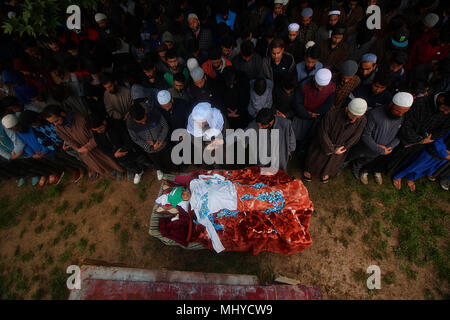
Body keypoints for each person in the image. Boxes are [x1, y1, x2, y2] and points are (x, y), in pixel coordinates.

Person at [346, 92, 414, 185]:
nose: (400, 114)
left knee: (364, 161)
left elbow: (400, 135)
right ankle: (340, 167)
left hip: (380, 151)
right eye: (398, 111)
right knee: (350, 157)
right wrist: (379, 149)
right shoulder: (374, 114)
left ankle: (356, 168)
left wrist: (389, 147)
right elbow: (365, 135)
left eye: (404, 112)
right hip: (364, 147)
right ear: (391, 104)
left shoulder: (402, 116)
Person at [42, 105, 124, 179]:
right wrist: (78, 149)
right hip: (84, 150)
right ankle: (113, 171)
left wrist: (89, 146)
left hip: (98, 145)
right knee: (100, 164)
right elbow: (68, 140)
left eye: (56, 121)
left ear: (62, 114)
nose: (55, 124)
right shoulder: (59, 128)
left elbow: (97, 133)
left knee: (109, 159)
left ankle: (120, 169)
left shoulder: (81, 118)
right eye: (53, 123)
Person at [303, 98, 368, 183]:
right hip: (324, 144)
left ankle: (325, 173)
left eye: (357, 117)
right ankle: (309, 171)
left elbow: (356, 136)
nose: (354, 119)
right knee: (316, 159)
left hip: (341, 147)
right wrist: (331, 148)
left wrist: (344, 147)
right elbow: (323, 132)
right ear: (347, 109)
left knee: (333, 162)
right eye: (353, 115)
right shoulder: (331, 115)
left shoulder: (362, 120)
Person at [90, 114, 149, 184]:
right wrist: (114, 154)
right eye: (96, 130)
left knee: (142, 159)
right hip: (118, 155)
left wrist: (122, 151)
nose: (99, 132)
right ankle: (139, 172)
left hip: (131, 150)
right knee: (128, 165)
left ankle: (154, 166)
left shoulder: (116, 124)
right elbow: (102, 148)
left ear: (104, 122)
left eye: (100, 128)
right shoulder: (96, 132)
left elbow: (128, 139)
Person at [126, 100, 172, 174]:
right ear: (133, 119)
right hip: (150, 150)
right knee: (159, 163)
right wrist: (150, 147)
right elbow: (135, 139)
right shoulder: (130, 124)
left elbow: (165, 126)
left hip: (164, 145)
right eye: (140, 123)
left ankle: (172, 169)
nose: (143, 123)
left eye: (144, 120)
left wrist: (160, 140)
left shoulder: (154, 112)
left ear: (145, 111)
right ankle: (162, 171)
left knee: (169, 160)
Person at [246, 107, 296, 172]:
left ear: (271, 122)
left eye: (263, 125)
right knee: (261, 174)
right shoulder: (254, 124)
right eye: (259, 125)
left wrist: (289, 151)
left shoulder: (285, 123)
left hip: (279, 156)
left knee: (279, 175)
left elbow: (291, 139)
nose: (260, 128)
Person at [294, 68, 336, 144]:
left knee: (309, 136)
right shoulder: (304, 85)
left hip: (316, 117)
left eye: (323, 87)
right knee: (296, 135)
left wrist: (316, 113)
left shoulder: (332, 87)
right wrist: (307, 114)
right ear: (314, 79)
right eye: (318, 85)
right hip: (302, 116)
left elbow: (328, 103)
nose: (320, 89)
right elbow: (297, 103)